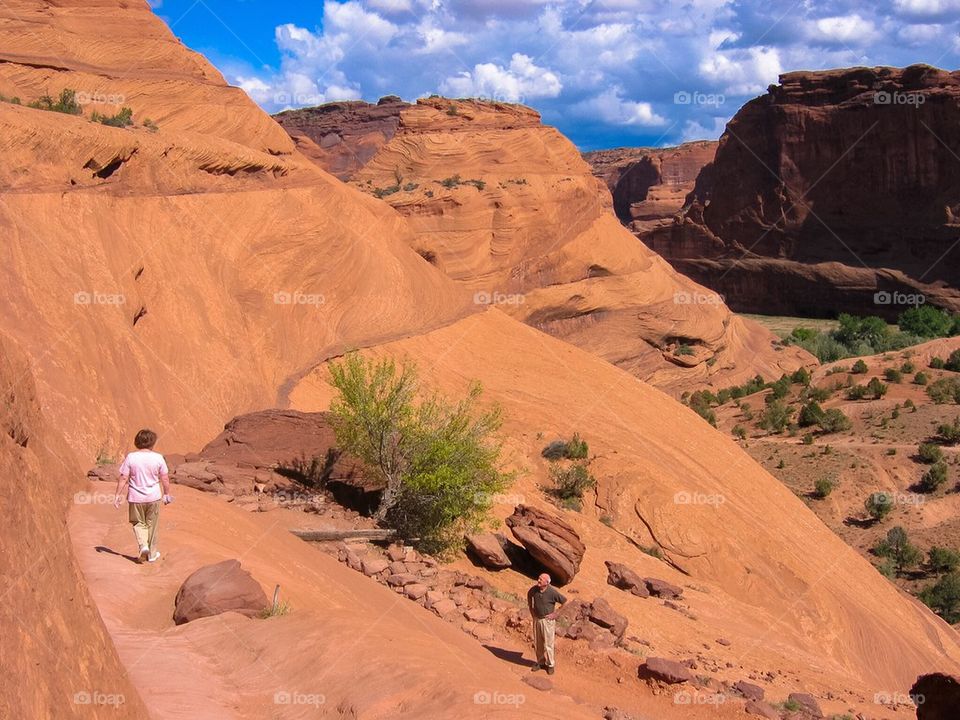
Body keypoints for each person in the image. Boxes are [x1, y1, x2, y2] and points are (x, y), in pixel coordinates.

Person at [113, 429, 172, 563]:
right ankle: (151, 554)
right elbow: (165, 478)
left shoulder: (131, 457)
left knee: (138, 522)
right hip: (154, 497)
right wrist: (167, 494)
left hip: (135, 498)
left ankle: (143, 546)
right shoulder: (158, 457)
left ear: (137, 442)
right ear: (152, 442)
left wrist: (117, 495)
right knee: (152, 524)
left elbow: (123, 477)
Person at [527, 573, 566, 674]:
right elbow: (529, 597)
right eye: (539, 578)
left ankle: (550, 664)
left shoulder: (552, 592)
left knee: (549, 643)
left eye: (541, 579)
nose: (538, 580)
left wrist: (556, 614)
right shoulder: (533, 590)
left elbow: (564, 602)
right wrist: (532, 611)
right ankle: (540, 662)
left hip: (547, 621)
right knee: (538, 643)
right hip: (537, 619)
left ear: (547, 583)